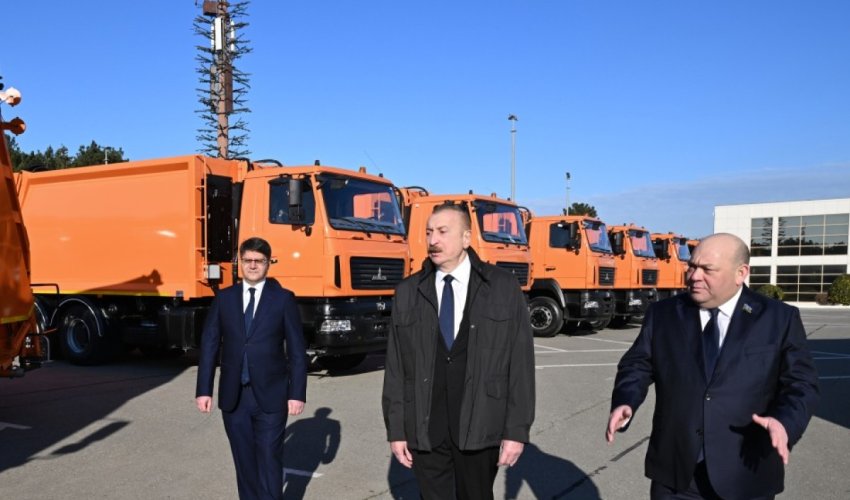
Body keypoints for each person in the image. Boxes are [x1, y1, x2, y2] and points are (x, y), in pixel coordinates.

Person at [606, 233, 819, 499]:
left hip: (745, 473)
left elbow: (802, 384)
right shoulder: (663, 314)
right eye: (692, 266)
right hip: (676, 475)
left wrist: (785, 422)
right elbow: (638, 364)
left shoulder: (778, 318)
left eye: (707, 269)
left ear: (740, 273)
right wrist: (626, 400)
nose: (694, 276)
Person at [382, 203, 535, 500]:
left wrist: (516, 431)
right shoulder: (408, 292)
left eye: (442, 232)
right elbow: (396, 368)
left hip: (481, 426)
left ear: (466, 238)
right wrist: (396, 430)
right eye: (429, 232)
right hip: (425, 427)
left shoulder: (501, 287)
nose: (433, 240)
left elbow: (520, 366)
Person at [196, 237, 308, 500]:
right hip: (234, 397)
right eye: (248, 260)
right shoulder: (224, 299)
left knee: (269, 458)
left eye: (259, 261)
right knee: (244, 463)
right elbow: (209, 345)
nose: (253, 265)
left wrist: (297, 393)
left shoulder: (283, 299)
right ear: (240, 262)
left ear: (268, 263)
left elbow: (296, 351)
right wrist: (204, 390)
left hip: (272, 396)